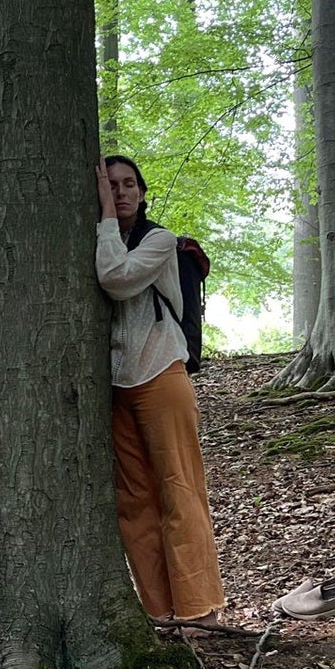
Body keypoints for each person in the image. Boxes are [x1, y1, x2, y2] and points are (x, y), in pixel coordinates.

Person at [94, 156, 224, 626]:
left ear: (143, 193)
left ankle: (200, 609)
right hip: (112, 387)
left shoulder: (161, 241)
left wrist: (107, 218)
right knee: (134, 503)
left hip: (162, 375)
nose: (122, 192)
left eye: (129, 185)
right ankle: (160, 613)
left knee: (179, 489)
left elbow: (116, 280)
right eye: (112, 186)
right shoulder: (90, 241)